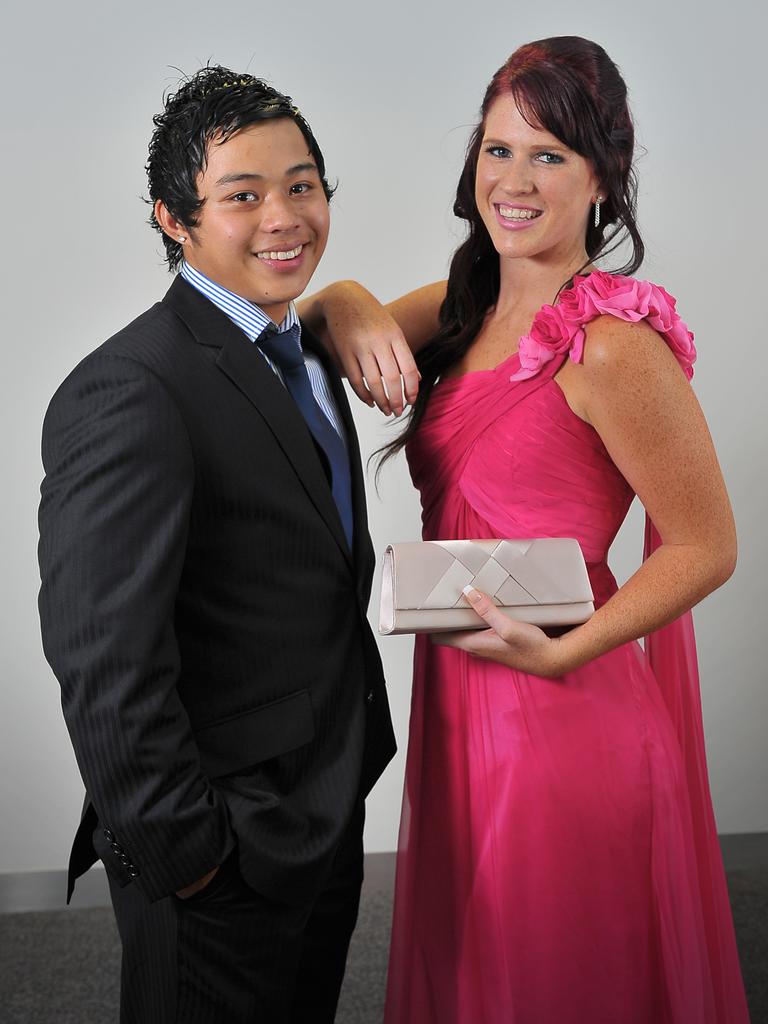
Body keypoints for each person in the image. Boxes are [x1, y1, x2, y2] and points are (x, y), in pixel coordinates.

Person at [301, 36, 750, 1023]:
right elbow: (317, 330)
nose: (514, 179)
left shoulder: (614, 346)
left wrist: (562, 656)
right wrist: (346, 297)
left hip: (564, 719)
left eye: (548, 155)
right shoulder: (464, 306)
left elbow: (706, 544)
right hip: (460, 714)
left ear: (603, 178)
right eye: (498, 149)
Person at [37, 66, 395, 1024]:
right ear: (174, 219)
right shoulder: (129, 389)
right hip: (218, 847)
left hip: (322, 804)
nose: (284, 216)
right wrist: (185, 854)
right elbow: (102, 653)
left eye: (303, 185)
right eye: (242, 195)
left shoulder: (308, 348)